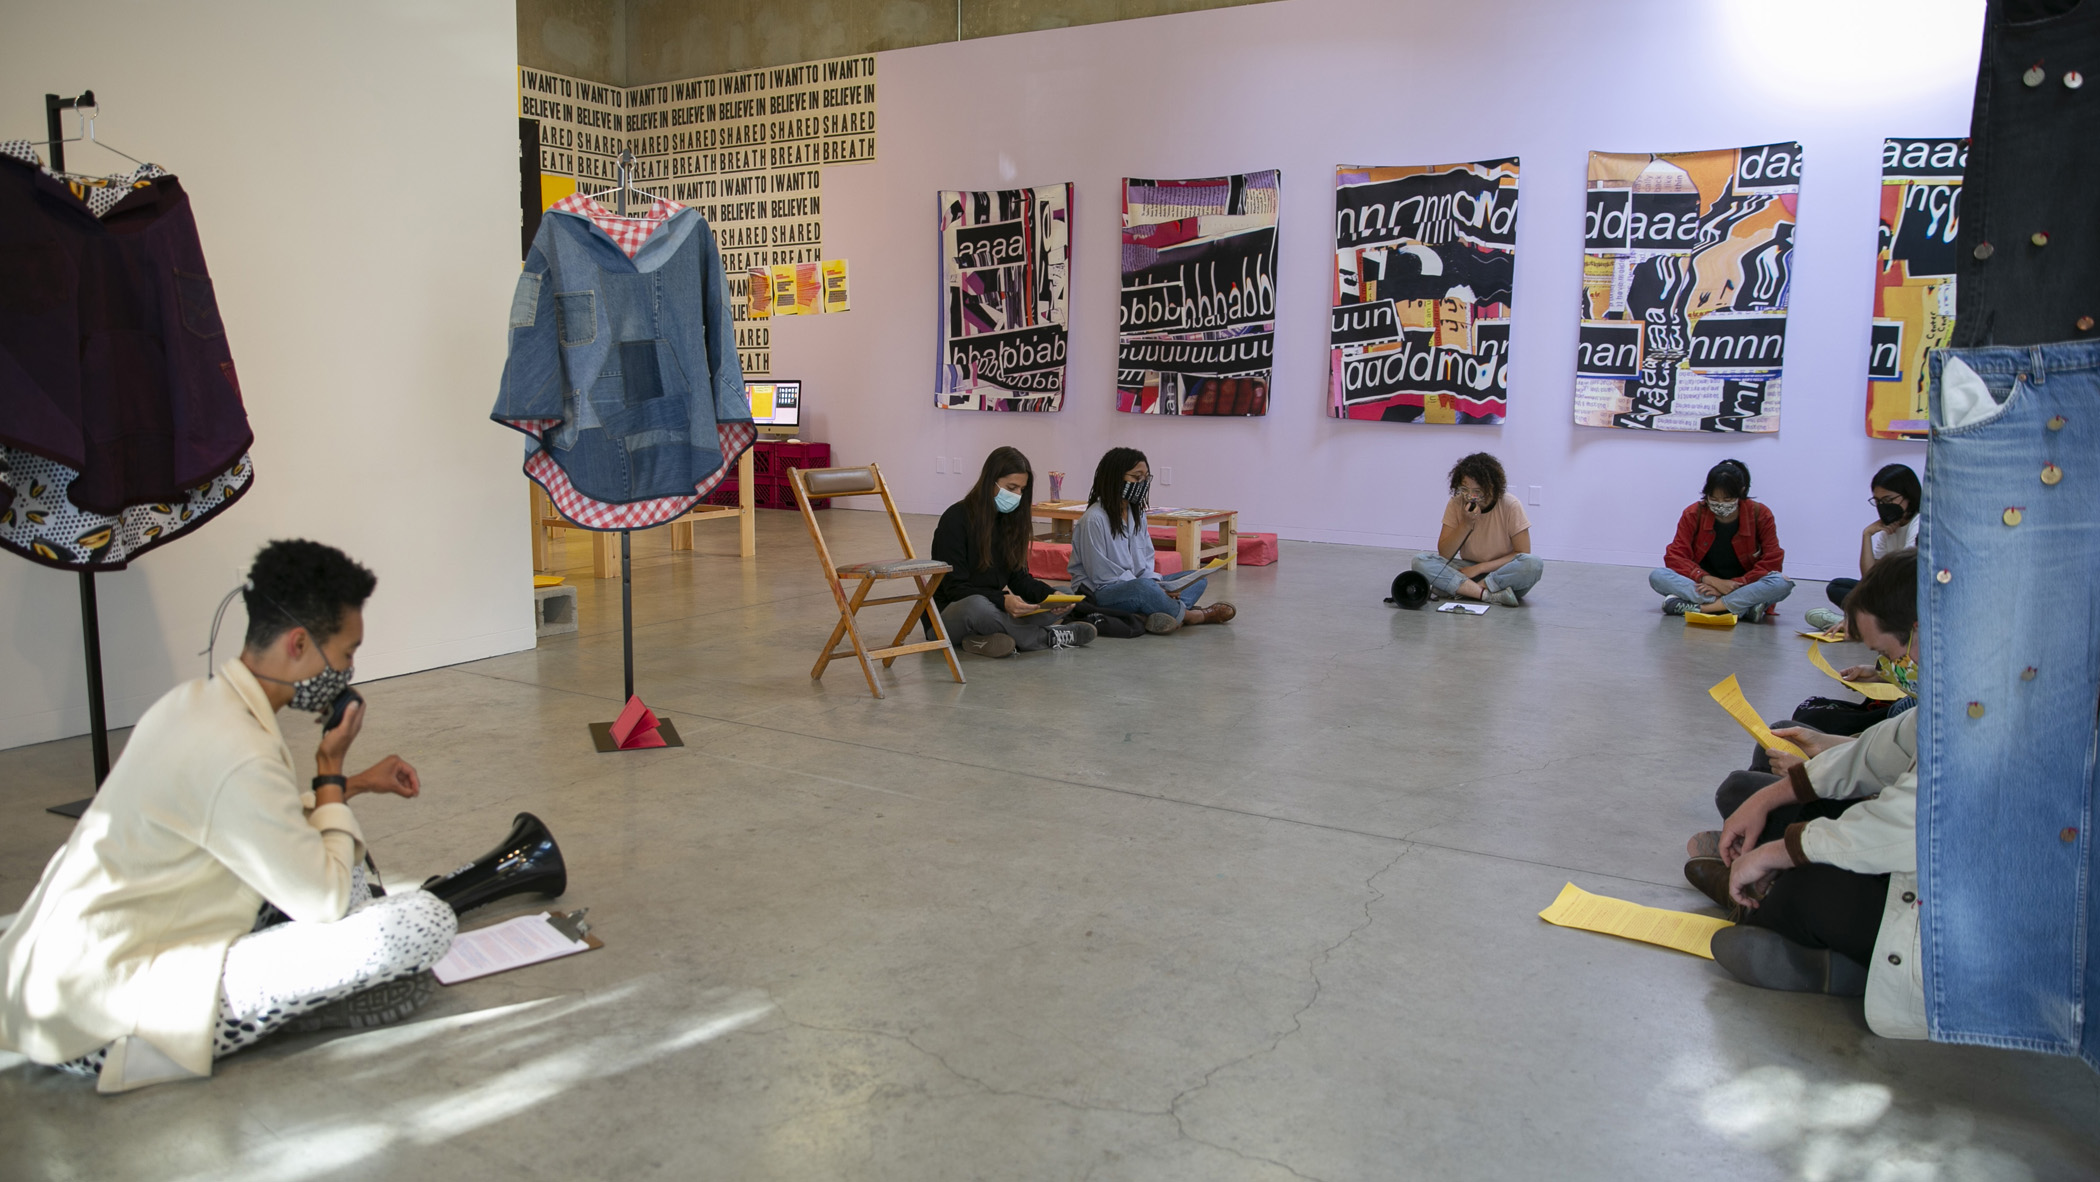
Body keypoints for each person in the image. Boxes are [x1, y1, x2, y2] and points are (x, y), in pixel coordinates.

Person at [0, 541, 458, 1092]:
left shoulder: (196, 702)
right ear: (298, 644)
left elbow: (253, 823)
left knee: (345, 864)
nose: (348, 671)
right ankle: (289, 1013)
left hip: (61, 982)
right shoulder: (239, 750)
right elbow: (324, 901)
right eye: (346, 652)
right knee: (424, 922)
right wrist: (332, 768)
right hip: (107, 1021)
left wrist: (354, 785)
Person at [1682, 550, 1926, 1039]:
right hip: (1900, 857)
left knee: (1809, 883)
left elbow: (1908, 823)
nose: (1893, 668)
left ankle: (1769, 907)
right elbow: (1883, 750)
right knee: (1751, 794)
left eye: (1895, 656)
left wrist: (1780, 852)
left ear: (1921, 630)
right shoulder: (1960, 688)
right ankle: (1762, 895)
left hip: (1937, 909)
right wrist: (1773, 797)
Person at [930, 446, 1095, 657]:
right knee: (978, 606)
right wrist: (1003, 600)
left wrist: (1050, 595)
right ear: (990, 483)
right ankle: (1045, 637)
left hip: (997, 610)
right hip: (952, 615)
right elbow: (954, 589)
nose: (1017, 495)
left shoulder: (1010, 522)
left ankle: (981, 640)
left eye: (1022, 490)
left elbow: (1019, 579)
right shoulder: (955, 519)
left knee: (1066, 593)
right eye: (1011, 487)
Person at [1067, 447, 1236, 635]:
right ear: (1114, 477)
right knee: (1143, 588)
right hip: (1100, 592)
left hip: (1138, 585)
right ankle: (1192, 616)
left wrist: (1160, 587)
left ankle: (1154, 615)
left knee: (1197, 580)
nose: (1142, 483)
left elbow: (1146, 562)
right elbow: (1103, 576)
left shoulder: (1136, 513)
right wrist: (1155, 589)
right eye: (1136, 477)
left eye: (1146, 478)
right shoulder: (1094, 519)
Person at [1650, 458, 1793, 622]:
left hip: (1743, 585)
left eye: (1727, 500)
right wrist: (1711, 581)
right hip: (1703, 585)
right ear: (1706, 494)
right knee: (1658, 575)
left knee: (1783, 583)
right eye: (1714, 499)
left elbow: (1772, 560)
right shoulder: (1693, 513)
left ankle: (1704, 608)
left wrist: (1733, 585)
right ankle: (1742, 609)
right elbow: (1675, 556)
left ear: (1741, 492)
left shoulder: (1760, 513)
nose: (1720, 505)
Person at [1409, 452, 1543, 607]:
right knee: (1420, 561)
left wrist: (1480, 569)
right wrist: (1465, 524)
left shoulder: (1510, 505)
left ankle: (1463, 590)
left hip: (1502, 575)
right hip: (1468, 570)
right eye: (1465, 489)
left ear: (1492, 487)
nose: (1470, 496)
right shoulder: (1456, 503)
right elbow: (1445, 553)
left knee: (1533, 564)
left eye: (1477, 491)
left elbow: (1522, 553)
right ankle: (1487, 596)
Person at [1805, 463, 1921, 632]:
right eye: (1878, 501)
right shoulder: (1889, 526)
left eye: (1888, 500)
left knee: (1872, 598)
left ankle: (1859, 622)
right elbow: (1869, 577)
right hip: (1887, 595)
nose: (1883, 507)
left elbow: (1903, 582)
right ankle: (1866, 622)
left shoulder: (1920, 525)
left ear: (1908, 496)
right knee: (1837, 587)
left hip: (1907, 597)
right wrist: (1867, 535)